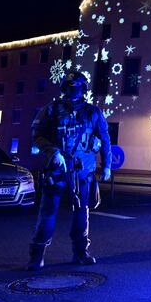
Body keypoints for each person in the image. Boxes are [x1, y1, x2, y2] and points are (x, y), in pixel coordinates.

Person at [26, 71, 112, 270]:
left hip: (83, 172)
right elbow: (37, 134)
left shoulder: (93, 112)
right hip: (57, 169)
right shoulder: (51, 109)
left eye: (77, 88)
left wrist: (106, 165)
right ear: (64, 88)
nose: (73, 91)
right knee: (48, 213)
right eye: (70, 87)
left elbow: (105, 138)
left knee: (82, 213)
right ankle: (37, 255)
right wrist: (51, 150)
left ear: (83, 89)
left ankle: (80, 253)